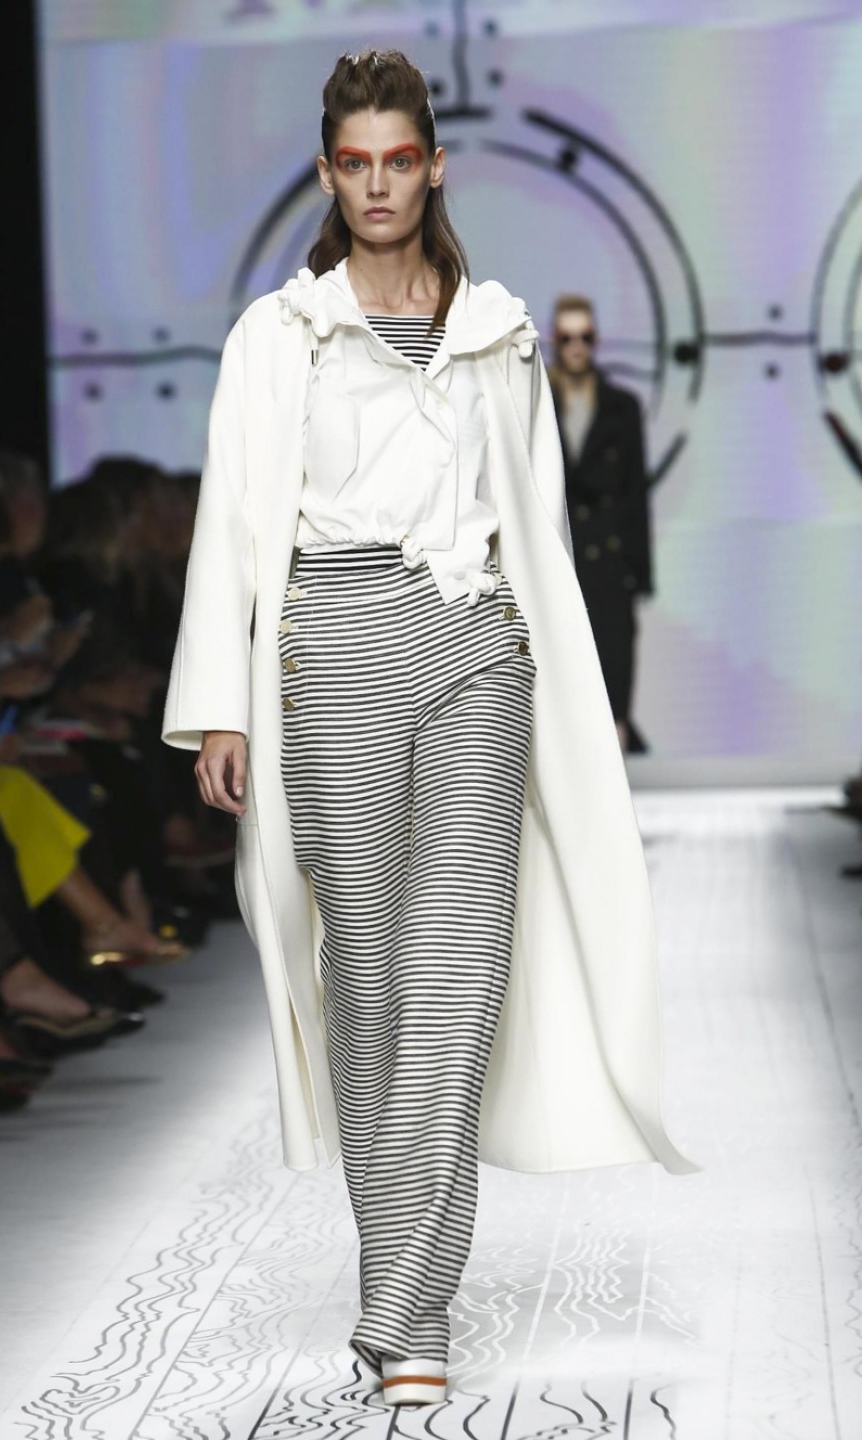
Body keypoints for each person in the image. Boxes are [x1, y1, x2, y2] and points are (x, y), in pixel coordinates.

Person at [163, 50, 695, 1408]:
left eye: (401, 160)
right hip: (332, 649)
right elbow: (232, 521)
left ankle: (409, 1310)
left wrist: (552, 674)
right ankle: (401, 1282)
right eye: (357, 163)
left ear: (434, 166)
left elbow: (539, 531)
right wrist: (217, 703)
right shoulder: (277, 337)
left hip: (473, 649)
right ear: (329, 173)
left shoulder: (498, 333)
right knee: (369, 982)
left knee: (457, 978)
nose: (380, 184)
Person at [547, 294, 654, 752]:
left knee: (614, 682)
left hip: (609, 565)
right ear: (554, 341)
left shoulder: (621, 407)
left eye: (585, 337)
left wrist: (639, 574)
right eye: (567, 337)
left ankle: (617, 780)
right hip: (558, 560)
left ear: (597, 340)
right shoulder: (535, 402)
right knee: (557, 684)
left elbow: (635, 494)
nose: (577, 346)